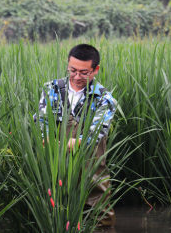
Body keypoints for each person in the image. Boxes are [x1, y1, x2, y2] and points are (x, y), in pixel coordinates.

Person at [35, 44, 117, 227]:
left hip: (91, 168)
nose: (77, 77)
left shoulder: (104, 99)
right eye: (73, 70)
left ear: (95, 70)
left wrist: (69, 143)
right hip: (56, 165)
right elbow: (41, 122)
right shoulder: (52, 90)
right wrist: (47, 138)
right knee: (57, 213)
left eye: (84, 72)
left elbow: (96, 133)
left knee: (101, 218)